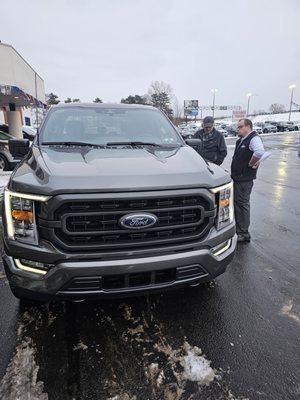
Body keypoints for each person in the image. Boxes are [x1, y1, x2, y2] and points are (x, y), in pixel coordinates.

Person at [231, 118, 266, 243]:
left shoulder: (253, 138)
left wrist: (252, 163)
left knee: (242, 204)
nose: (238, 129)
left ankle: (244, 233)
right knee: (238, 204)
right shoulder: (242, 140)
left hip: (244, 179)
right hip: (238, 178)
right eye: (238, 127)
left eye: (240, 126)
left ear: (248, 127)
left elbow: (260, 152)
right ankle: (239, 230)